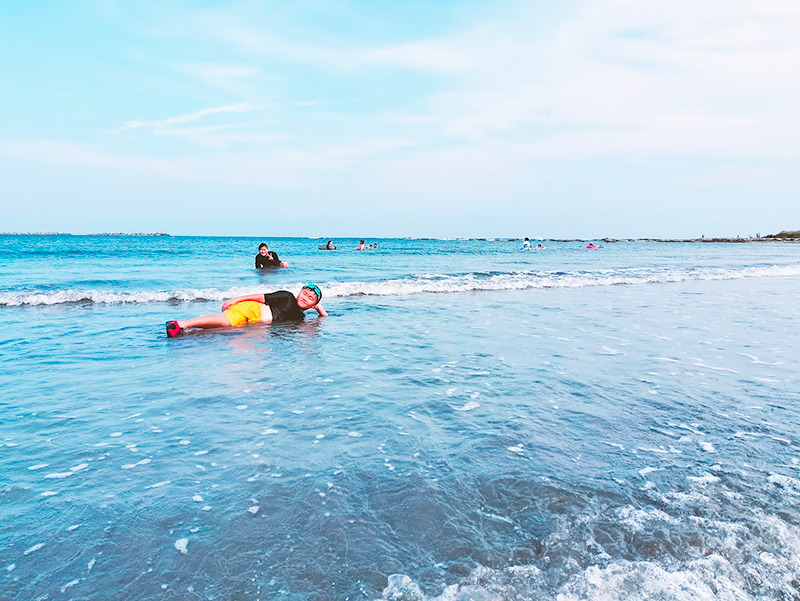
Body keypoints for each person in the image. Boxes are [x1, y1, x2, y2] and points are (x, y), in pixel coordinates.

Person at [165, 285, 327, 338]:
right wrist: (235, 300)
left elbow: (324, 318)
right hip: (252, 309)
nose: (306, 297)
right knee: (224, 322)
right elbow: (261, 297)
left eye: (311, 298)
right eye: (305, 293)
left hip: (254, 323)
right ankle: (179, 324)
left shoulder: (300, 316)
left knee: (219, 330)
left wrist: (318, 307)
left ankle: (185, 331)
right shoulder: (288, 296)